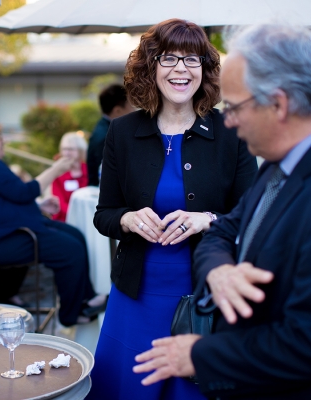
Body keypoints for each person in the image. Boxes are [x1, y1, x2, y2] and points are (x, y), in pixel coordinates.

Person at [133, 23, 311, 400]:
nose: (228, 119)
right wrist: (220, 271)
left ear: (278, 104)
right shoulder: (277, 169)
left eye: (234, 107)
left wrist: (197, 354)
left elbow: (303, 343)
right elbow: (223, 231)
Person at [87, 19, 258, 400]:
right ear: (151, 66)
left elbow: (253, 216)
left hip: (204, 298)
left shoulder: (233, 132)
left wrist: (208, 219)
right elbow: (104, 214)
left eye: (192, 59)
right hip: (134, 297)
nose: (181, 69)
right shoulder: (122, 132)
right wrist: (128, 219)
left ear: (205, 69)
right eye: (169, 58)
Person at [0, 116, 106, 326]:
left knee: (74, 234)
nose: (3, 141)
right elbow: (23, 192)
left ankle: (85, 298)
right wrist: (57, 169)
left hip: (2, 231)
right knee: (69, 250)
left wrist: (38, 207)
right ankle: (71, 314)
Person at [87, 83, 134, 186]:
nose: (134, 110)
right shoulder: (107, 136)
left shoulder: (105, 128)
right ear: (117, 111)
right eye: (131, 106)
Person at [51, 132, 88, 222]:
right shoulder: (58, 172)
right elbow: (59, 202)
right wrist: (76, 215)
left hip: (88, 216)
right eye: (64, 149)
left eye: (71, 149)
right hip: (65, 219)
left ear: (80, 150)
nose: (67, 153)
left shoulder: (88, 170)